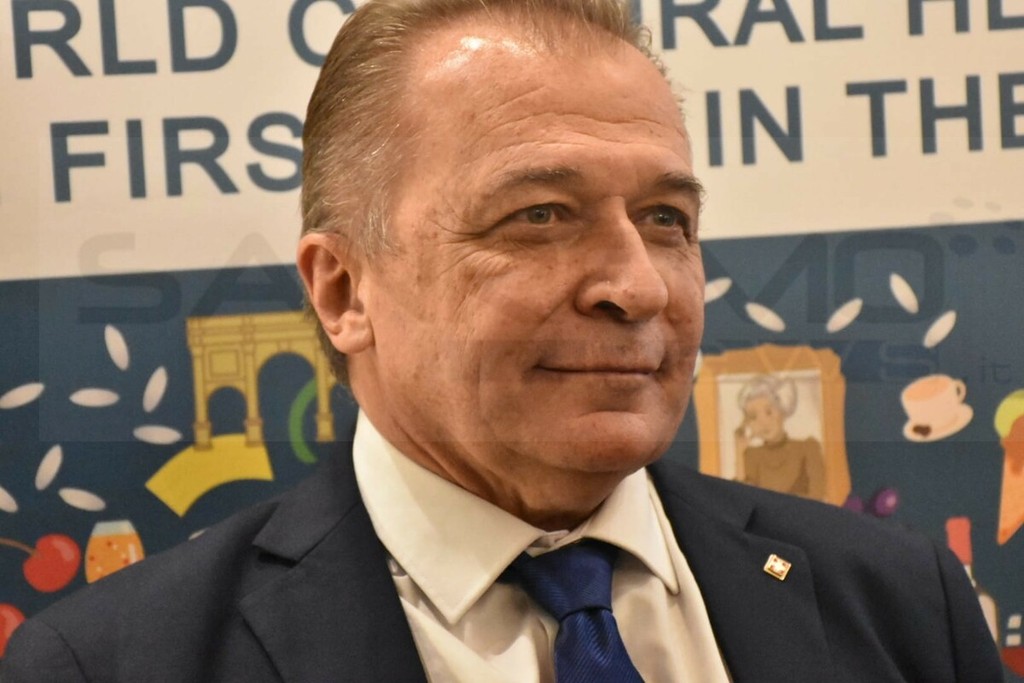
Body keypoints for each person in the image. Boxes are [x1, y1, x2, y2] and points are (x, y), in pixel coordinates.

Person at [2, 0, 1003, 681]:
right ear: (345, 290)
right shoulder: (115, 664)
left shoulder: (900, 603)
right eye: (539, 216)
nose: (636, 285)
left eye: (665, 218)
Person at [735, 374, 826, 500]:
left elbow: (817, 496)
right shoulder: (752, 456)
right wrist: (739, 454)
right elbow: (742, 500)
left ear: (782, 410)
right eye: (753, 417)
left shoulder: (807, 449)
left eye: (769, 412)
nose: (763, 422)